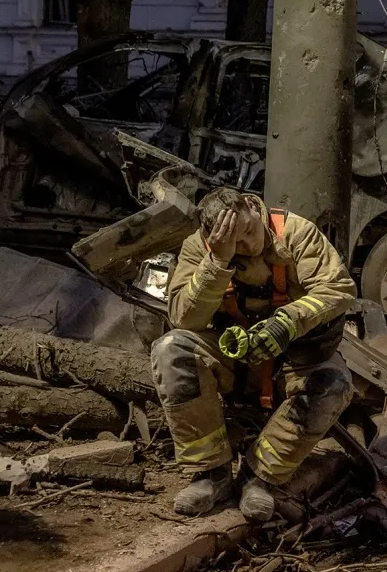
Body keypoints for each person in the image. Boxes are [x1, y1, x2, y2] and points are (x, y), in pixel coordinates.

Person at [150, 188, 356, 521]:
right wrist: (217, 261)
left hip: (292, 358)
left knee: (333, 384)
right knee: (171, 350)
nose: (248, 247)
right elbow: (184, 319)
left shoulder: (296, 233)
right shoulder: (199, 248)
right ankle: (210, 475)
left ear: (251, 207)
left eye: (249, 232)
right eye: (236, 242)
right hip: (232, 356)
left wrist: (288, 321)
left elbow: (339, 289)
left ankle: (259, 478)